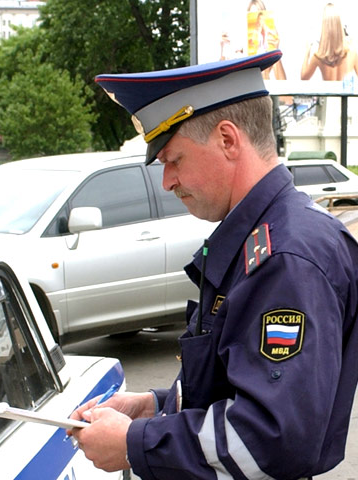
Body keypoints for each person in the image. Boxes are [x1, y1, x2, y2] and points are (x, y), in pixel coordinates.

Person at [68, 50, 358, 479]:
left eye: (173, 160)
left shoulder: (286, 258)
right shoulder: (268, 237)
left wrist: (135, 443)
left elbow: (273, 438)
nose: (167, 182)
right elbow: (236, 390)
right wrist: (154, 406)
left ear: (227, 139)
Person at [301, 2, 358, 81]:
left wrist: (307, 51)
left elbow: (303, 78)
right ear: (339, 25)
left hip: (328, 94)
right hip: (346, 93)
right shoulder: (352, 53)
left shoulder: (318, 57)